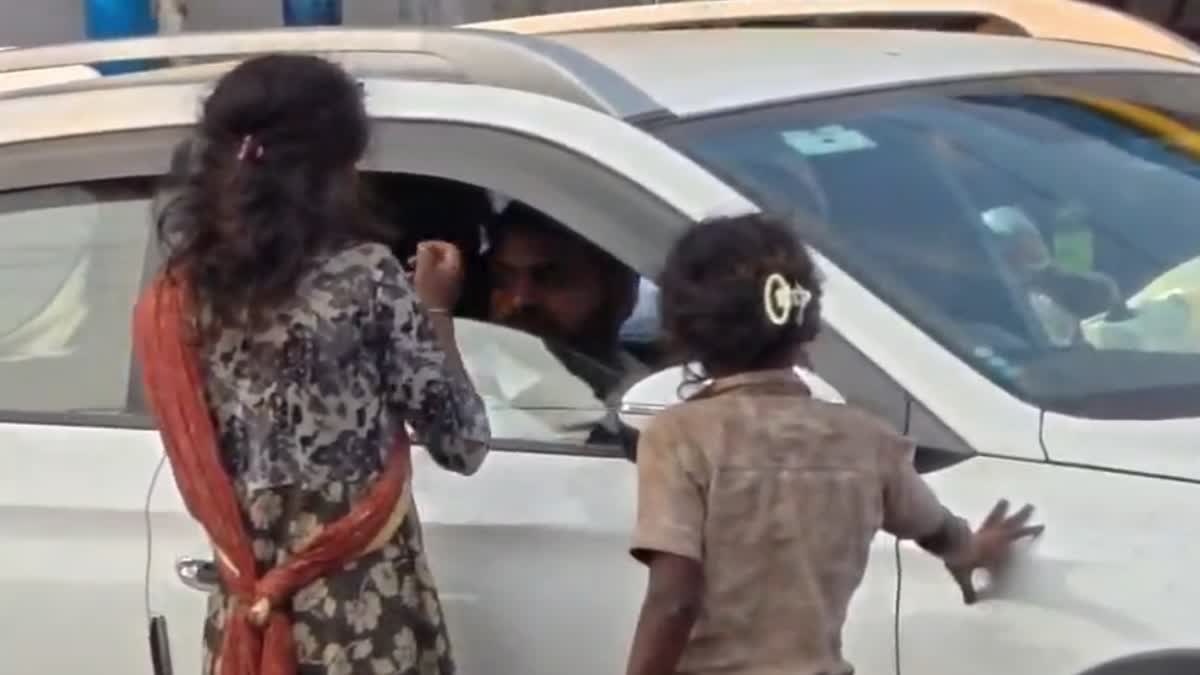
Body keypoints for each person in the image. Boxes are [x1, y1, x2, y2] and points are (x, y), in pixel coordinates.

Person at [133, 54, 490, 675]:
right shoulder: (365, 281)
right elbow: (463, 442)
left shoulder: (176, 300)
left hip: (245, 616)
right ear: (337, 168)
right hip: (361, 620)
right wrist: (434, 309)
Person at [624, 213, 1044, 675]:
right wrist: (974, 549)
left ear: (681, 327)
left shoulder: (679, 436)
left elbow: (675, 599)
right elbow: (937, 529)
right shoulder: (866, 439)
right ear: (808, 324)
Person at [486, 201, 644, 395]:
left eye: (550, 278)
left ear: (618, 290)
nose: (520, 299)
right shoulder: (466, 382)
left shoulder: (645, 403)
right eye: (503, 278)